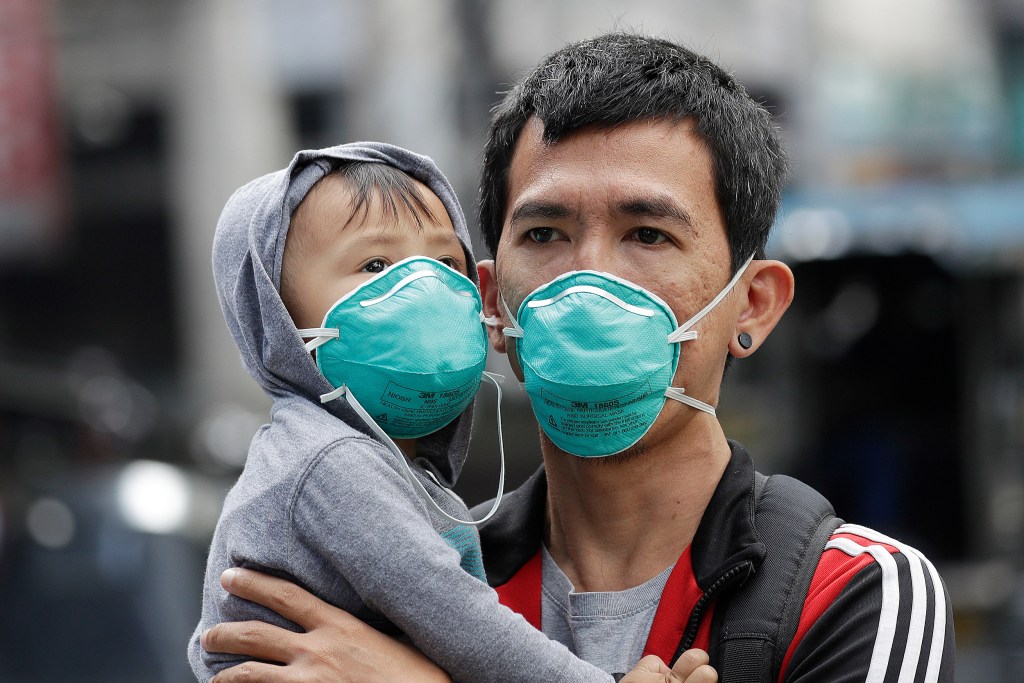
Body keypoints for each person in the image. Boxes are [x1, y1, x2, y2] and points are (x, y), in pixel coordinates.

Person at [200, 34, 956, 682]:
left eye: (648, 234)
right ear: (489, 303)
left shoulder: (853, 591)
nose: (586, 278)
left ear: (752, 303)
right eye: (545, 235)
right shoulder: (413, 580)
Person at [189, 140, 715, 683]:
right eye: (375, 264)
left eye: (444, 262)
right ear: (276, 315)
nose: (426, 289)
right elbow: (459, 620)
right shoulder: (330, 463)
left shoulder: (380, 465)